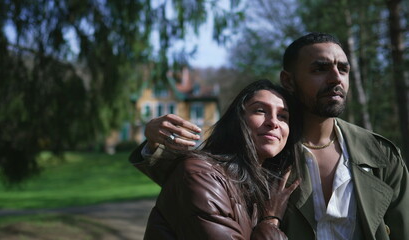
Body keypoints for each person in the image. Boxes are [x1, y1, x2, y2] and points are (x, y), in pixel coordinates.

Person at [130, 33, 409, 240]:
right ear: (288, 80)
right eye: (320, 68)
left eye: (343, 69)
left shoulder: (380, 154)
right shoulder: (265, 147)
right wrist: (154, 142)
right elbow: (203, 180)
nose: (336, 78)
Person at [139, 79, 301, 239]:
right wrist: (271, 221)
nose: (273, 122)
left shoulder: (266, 184)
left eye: (282, 116)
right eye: (260, 110)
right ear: (237, 120)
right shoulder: (202, 174)